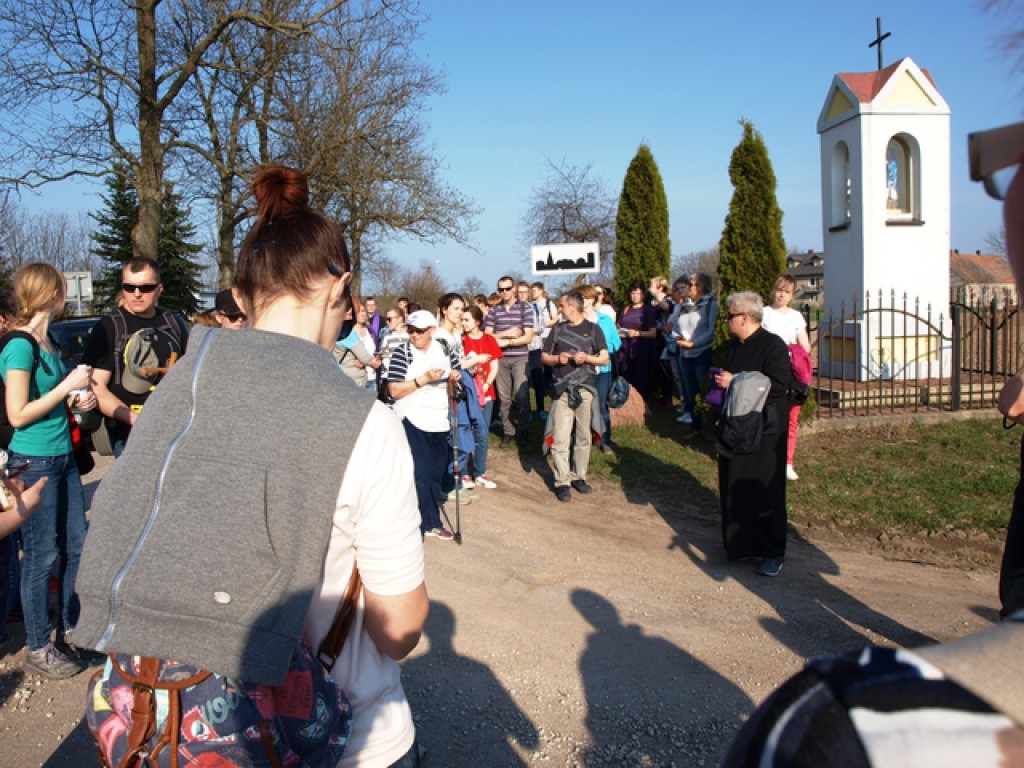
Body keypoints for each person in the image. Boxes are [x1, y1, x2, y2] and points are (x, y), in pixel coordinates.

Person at [74, 166, 428, 766]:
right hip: (340, 735)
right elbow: (397, 630)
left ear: (240, 298)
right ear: (338, 291)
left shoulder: (168, 401)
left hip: (182, 727)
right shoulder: (367, 424)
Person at [0, 263, 100, 677]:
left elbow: (54, 400)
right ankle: (39, 646)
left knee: (77, 546)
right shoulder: (18, 346)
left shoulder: (49, 343)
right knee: (42, 555)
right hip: (35, 460)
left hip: (62, 458)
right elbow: (18, 414)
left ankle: (72, 629)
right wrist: (64, 389)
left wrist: (79, 403)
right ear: (55, 293)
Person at [713, 291, 791, 577]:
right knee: (736, 487)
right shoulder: (736, 346)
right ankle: (741, 545)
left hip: (765, 431)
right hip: (737, 427)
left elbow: (781, 385)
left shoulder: (773, 346)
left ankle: (772, 552)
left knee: (765, 492)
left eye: (730, 316)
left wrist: (736, 381)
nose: (727, 321)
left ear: (744, 317)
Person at [81, 257, 188, 457]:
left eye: (145, 288)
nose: (136, 294)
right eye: (129, 287)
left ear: (159, 289)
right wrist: (136, 420)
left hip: (172, 432)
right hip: (128, 436)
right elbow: (97, 388)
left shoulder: (174, 324)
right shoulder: (109, 326)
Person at [387, 309, 462, 541]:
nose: (414, 335)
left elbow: (458, 371)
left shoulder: (444, 349)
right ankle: (422, 523)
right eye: (410, 330)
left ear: (431, 330)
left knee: (435, 474)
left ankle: (428, 520)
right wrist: (424, 379)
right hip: (412, 417)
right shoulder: (403, 353)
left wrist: (455, 377)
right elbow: (394, 390)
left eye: (419, 331)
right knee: (420, 473)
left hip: (440, 419)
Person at [541, 291, 608, 503]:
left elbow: (605, 358)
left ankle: (579, 476)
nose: (560, 309)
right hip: (561, 390)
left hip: (586, 388)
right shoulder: (558, 330)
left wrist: (587, 357)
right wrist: (556, 359)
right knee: (560, 437)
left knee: (583, 436)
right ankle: (562, 481)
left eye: (562, 305)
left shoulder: (593, 329)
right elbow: (544, 356)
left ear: (573, 307)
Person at [761, 274, 811, 481]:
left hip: (790, 373)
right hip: (767, 372)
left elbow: (806, 346)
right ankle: (765, 457)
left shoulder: (796, 317)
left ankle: (787, 462)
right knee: (767, 415)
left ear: (792, 295)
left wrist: (792, 351)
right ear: (774, 290)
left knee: (791, 419)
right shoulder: (764, 313)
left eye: (786, 291)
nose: (781, 294)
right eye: (779, 290)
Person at [484, 275, 535, 447]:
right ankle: (508, 430)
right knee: (504, 397)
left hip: (520, 357)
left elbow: (527, 337)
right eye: (501, 289)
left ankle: (524, 428)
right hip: (501, 358)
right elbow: (488, 336)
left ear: (513, 289)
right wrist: (506, 334)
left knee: (521, 395)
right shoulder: (494, 310)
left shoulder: (525, 308)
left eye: (507, 289)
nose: (504, 292)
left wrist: (508, 342)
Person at [461, 305, 501, 488]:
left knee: (483, 433)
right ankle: (463, 473)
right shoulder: (461, 341)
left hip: (486, 393)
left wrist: (486, 385)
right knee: (465, 431)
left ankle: (480, 472)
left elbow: (494, 366)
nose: (463, 323)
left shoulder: (489, 339)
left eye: (467, 319)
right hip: (467, 393)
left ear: (477, 321)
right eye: (462, 319)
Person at [578, 285, 621, 454]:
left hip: (603, 369)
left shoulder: (604, 320)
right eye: (580, 298)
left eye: (585, 298)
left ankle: (604, 440)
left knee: (601, 405)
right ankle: (582, 437)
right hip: (581, 369)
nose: (583, 301)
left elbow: (617, 343)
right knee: (581, 403)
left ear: (592, 300)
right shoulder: (576, 320)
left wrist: (603, 349)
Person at [675, 273, 718, 435]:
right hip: (684, 354)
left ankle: (708, 426)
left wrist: (694, 344)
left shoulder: (710, 304)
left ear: (703, 287)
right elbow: (676, 326)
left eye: (693, 284)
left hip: (701, 354)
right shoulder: (685, 305)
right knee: (689, 392)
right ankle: (695, 426)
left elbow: (711, 331)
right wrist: (678, 337)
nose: (689, 287)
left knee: (703, 391)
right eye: (689, 283)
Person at [616, 280, 657, 400]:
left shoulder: (647, 310)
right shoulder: (626, 309)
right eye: (633, 293)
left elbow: (653, 333)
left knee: (641, 376)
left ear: (643, 295)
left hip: (641, 347)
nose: (635, 296)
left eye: (638, 293)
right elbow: (619, 325)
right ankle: (628, 402)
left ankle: (642, 403)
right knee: (626, 374)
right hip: (625, 347)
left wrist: (637, 333)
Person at [529, 282, 558, 421]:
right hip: (536, 338)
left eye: (535, 290)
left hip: (547, 335)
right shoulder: (531, 304)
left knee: (547, 360)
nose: (533, 293)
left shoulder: (548, 303)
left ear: (541, 291)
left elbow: (555, 319)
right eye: (532, 290)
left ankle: (548, 381)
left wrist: (544, 325)